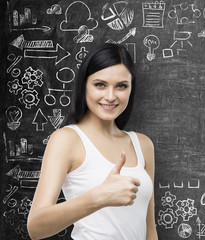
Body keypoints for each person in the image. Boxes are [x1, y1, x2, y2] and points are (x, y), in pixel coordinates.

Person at [27, 43, 158, 240]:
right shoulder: (67, 140)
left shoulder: (142, 145)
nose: (111, 96)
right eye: (100, 85)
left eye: (121, 86)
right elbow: (36, 227)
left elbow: (150, 230)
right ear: (84, 85)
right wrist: (100, 197)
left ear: (131, 89)